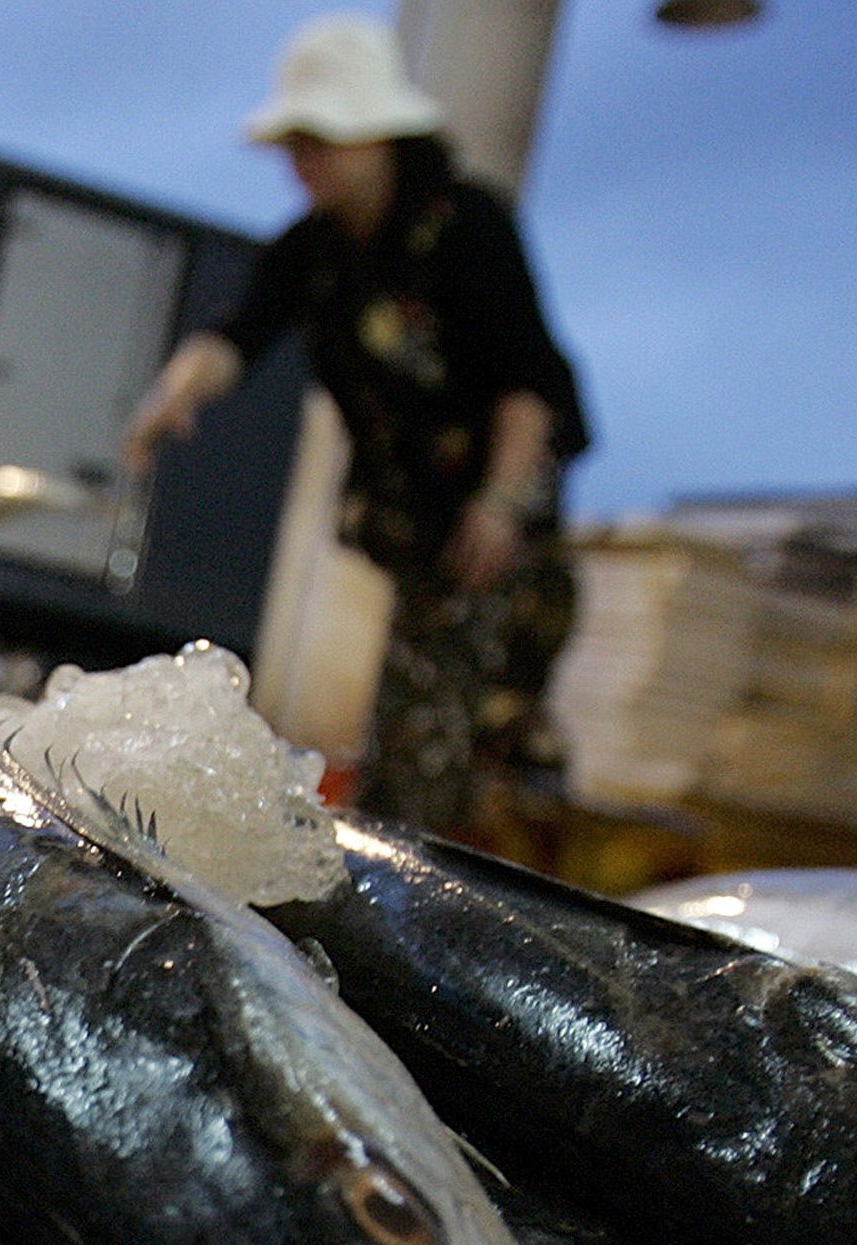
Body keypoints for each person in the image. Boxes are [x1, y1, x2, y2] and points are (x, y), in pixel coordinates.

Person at [123, 13, 589, 836]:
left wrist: (502, 504)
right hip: (415, 529)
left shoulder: (466, 226)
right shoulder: (315, 252)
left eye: (321, 140)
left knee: (474, 740)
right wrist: (174, 395)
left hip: (495, 522)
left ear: (377, 135)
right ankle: (409, 867)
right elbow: (238, 336)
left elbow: (527, 380)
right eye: (295, 144)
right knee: (414, 733)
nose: (303, 164)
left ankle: (460, 890)